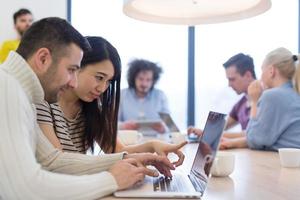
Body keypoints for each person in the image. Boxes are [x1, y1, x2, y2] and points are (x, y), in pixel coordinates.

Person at [0, 17, 175, 199]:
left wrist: (125, 159)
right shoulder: (7, 88)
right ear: (43, 59)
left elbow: (52, 161)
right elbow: (24, 190)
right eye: (71, 70)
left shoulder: (20, 92)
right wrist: (111, 180)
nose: (73, 82)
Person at [36, 36, 186, 166]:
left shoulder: (93, 107)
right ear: (77, 66)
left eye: (109, 81)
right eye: (99, 77)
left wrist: (153, 145)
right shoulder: (43, 101)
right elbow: (60, 163)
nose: (102, 88)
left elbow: (117, 150)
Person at [219, 47, 300, 150]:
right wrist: (232, 142)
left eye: (262, 70)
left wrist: (254, 102)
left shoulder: (272, 96)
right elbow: (266, 138)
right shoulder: (294, 92)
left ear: (271, 71)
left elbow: (254, 139)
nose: (261, 76)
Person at [188, 53, 256, 139]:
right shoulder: (241, 103)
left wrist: (211, 134)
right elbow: (221, 127)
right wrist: (203, 131)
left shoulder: (266, 100)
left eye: (232, 79)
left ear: (248, 75)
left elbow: (254, 133)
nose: (229, 85)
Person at [118, 59, 170, 133]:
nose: (144, 84)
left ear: (153, 81)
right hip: (129, 141)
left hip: (157, 141)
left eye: (148, 80)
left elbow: (170, 126)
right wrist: (123, 126)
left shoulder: (160, 96)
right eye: (141, 79)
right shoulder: (122, 95)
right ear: (133, 78)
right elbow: (111, 124)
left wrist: (163, 128)